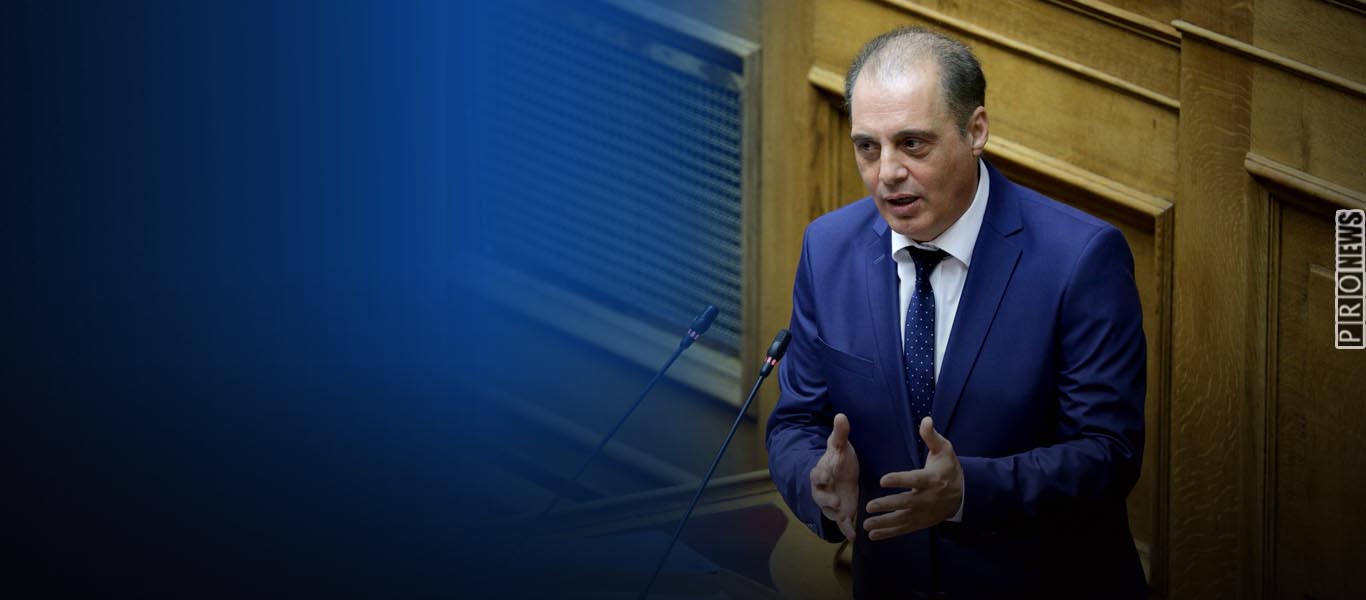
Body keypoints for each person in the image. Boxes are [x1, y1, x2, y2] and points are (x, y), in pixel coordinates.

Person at [766, 27, 1147, 599]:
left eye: (912, 144)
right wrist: (814, 478)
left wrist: (969, 489)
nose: (887, 172)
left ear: (976, 131)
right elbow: (797, 421)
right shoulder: (829, 248)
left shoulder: (1079, 260)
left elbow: (1108, 452)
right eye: (868, 147)